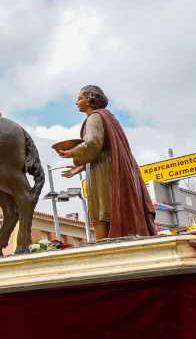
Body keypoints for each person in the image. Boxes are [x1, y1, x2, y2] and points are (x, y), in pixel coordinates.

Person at [57, 85, 157, 239]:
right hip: (111, 169)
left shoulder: (94, 117)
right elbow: (105, 147)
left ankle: (104, 247)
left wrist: (71, 152)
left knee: (101, 210)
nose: (76, 102)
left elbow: (93, 143)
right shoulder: (109, 117)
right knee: (107, 208)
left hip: (103, 173)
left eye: (80, 98)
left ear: (90, 100)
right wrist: (82, 166)